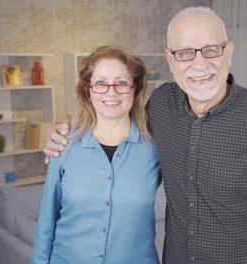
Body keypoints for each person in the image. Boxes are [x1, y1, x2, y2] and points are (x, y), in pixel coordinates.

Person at [44, 6, 247, 263]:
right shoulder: (161, 105)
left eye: (211, 49)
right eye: (186, 52)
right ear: (170, 60)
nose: (199, 65)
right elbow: (112, 122)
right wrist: (63, 134)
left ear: (229, 52)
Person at [31, 46, 161, 263]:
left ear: (134, 88)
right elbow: (47, 220)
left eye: (121, 82)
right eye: (101, 83)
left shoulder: (156, 148)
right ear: (88, 90)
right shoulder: (63, 145)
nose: (111, 92)